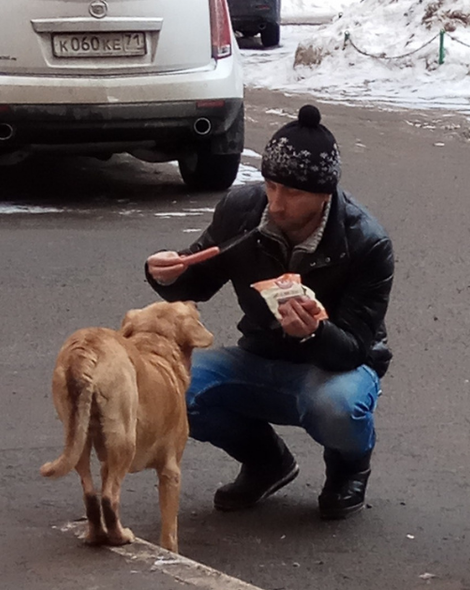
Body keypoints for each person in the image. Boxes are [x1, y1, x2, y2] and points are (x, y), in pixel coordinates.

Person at [145, 105, 395, 521]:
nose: (277, 204)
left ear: (325, 194)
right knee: (169, 387)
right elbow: (197, 280)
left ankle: (348, 470)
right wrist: (167, 273)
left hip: (335, 367)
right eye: (271, 185)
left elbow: (354, 348)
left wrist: (314, 332)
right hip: (260, 353)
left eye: (293, 193)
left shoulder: (366, 241)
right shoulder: (243, 209)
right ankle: (266, 461)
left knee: (338, 406)